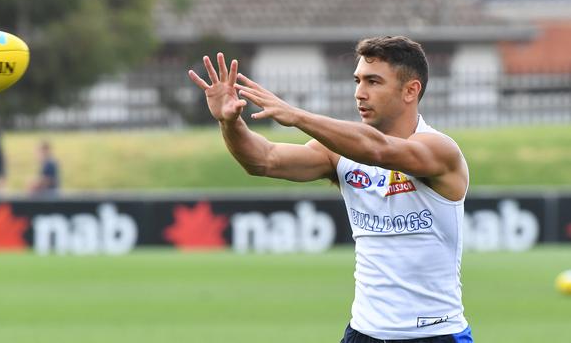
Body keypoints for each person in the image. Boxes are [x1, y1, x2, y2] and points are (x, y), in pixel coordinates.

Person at [188, 36, 473, 342]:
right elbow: (264, 160)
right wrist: (230, 123)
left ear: (410, 90)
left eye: (373, 82)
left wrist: (297, 116)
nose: (359, 93)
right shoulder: (341, 152)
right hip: (363, 334)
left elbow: (379, 151)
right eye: (358, 80)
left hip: (436, 335)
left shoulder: (439, 149)